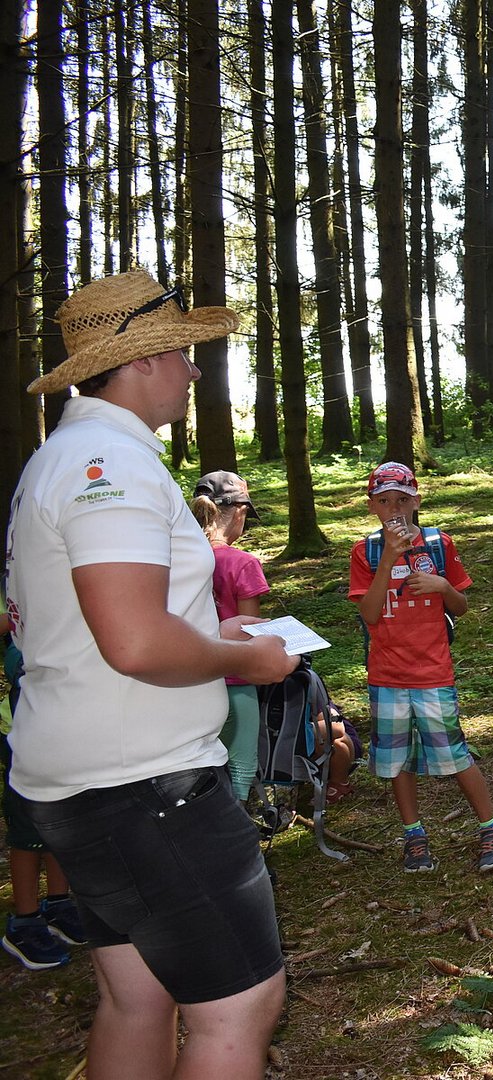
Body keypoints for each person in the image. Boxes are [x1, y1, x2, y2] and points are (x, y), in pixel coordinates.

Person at [4, 269, 298, 1078]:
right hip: (145, 786)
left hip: (84, 779)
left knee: (138, 997)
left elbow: (96, 620)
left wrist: (207, 631)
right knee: (239, 1007)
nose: (195, 370)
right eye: (183, 353)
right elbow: (133, 643)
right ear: (141, 360)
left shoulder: (65, 456)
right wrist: (246, 659)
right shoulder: (110, 464)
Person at [350, 461, 493, 874]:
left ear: (416, 502)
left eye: (402, 500)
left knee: (453, 752)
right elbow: (369, 614)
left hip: (432, 672)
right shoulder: (365, 552)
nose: (394, 510)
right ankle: (414, 835)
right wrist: (388, 560)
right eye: (384, 502)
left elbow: (461, 606)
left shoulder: (439, 545)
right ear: (372, 506)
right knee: (396, 760)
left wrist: (442, 586)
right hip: (387, 675)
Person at [1, 601, 86, 971]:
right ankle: (24, 920)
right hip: (24, 731)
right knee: (27, 831)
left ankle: (58, 902)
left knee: (62, 820)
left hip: (63, 728)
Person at [191, 471, 270, 801]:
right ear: (240, 511)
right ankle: (235, 825)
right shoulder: (242, 563)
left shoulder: (177, 559)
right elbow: (249, 630)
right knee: (240, 768)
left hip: (188, 678)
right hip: (235, 681)